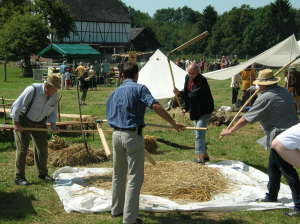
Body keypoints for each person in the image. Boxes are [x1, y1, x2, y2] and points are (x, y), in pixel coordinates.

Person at [106, 62, 184, 224]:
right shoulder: (140, 88)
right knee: (135, 177)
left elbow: (109, 114)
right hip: (132, 135)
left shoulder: (114, 92)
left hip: (116, 135)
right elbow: (155, 106)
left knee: (118, 175)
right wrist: (173, 123)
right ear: (136, 74)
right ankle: (130, 218)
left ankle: (116, 210)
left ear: (122, 75)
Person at [220, 69, 300, 217]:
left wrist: (230, 130)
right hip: (292, 133)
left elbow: (247, 118)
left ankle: (299, 204)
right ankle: (271, 197)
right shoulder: (283, 91)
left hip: (282, 137)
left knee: (287, 171)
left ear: (263, 84)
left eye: (259, 84)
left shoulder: (266, 97)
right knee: (273, 168)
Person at [10, 74, 61, 185]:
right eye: (53, 89)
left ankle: (43, 174)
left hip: (40, 122)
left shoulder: (55, 95)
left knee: (42, 148)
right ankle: (19, 177)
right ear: (46, 85)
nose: (54, 92)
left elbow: (53, 111)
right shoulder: (32, 90)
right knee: (23, 149)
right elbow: (16, 106)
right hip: (24, 120)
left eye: (56, 89)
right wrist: (16, 123)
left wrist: (53, 124)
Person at [174, 63, 214, 163]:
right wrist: (184, 107)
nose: (190, 75)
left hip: (204, 110)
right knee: (198, 133)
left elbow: (193, 95)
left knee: (199, 134)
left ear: (198, 72)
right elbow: (187, 93)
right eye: (189, 73)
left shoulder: (202, 80)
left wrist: (180, 93)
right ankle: (204, 155)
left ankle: (199, 159)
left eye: (193, 73)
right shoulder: (187, 77)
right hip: (195, 110)